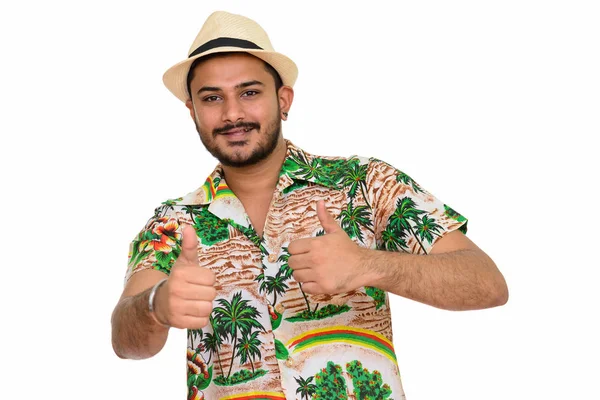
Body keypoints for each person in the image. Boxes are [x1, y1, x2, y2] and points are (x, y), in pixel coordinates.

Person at [111, 10, 508, 400]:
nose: (232, 114)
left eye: (249, 92)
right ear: (192, 111)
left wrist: (368, 265)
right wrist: (155, 305)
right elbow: (125, 341)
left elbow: (487, 283)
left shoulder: (365, 182)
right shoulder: (173, 222)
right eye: (212, 98)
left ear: (284, 99)